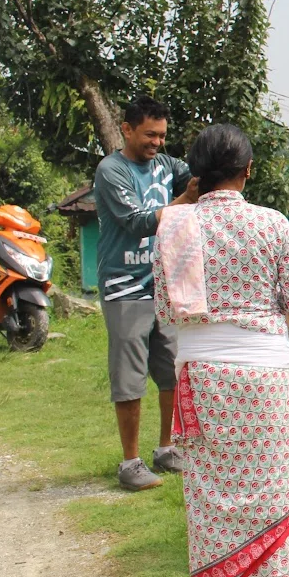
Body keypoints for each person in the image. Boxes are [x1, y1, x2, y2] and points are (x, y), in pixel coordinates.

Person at [152, 123, 289, 577]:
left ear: (196, 175)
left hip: (202, 379)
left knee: (211, 496)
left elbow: (163, 311)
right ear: (248, 171)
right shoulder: (271, 225)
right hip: (266, 380)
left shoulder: (174, 228)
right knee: (274, 491)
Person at [93, 95, 197, 491]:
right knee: (129, 376)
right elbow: (136, 222)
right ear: (127, 129)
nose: (156, 142)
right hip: (124, 287)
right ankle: (130, 462)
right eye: (150, 135)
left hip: (163, 284)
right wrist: (185, 199)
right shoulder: (111, 170)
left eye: (162, 136)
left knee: (170, 369)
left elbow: (197, 174)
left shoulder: (167, 165)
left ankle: (166, 449)